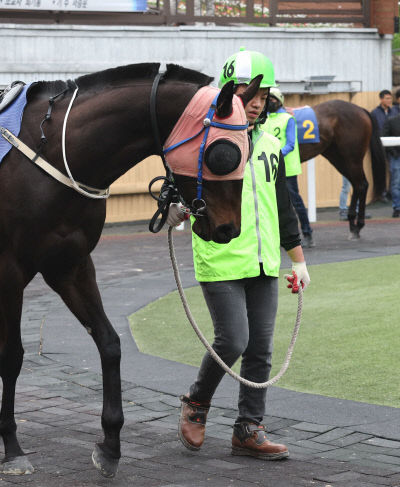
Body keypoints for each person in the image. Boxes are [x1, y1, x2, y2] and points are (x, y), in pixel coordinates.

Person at [168, 49, 310, 460]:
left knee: (261, 349)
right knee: (233, 340)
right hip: (222, 257)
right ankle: (197, 403)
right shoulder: (204, 143)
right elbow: (175, 194)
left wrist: (298, 260)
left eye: (260, 96)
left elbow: (282, 206)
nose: (253, 102)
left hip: (265, 261)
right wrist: (177, 208)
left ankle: (249, 428)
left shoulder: (269, 142)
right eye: (246, 94)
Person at [259, 87, 313, 248]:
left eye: (273, 99)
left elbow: (290, 144)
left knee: (294, 202)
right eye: (268, 100)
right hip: (268, 170)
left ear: (280, 101)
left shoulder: (288, 119)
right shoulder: (263, 119)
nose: (270, 102)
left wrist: (273, 155)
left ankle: (307, 232)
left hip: (287, 169)